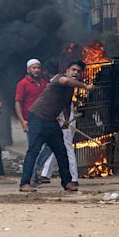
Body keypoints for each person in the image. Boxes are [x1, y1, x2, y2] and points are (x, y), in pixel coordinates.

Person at [19, 60, 94, 192]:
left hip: (51, 121)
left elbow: (66, 105)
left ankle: (67, 182)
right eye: (73, 70)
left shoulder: (71, 89)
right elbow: (66, 81)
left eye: (78, 71)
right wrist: (85, 86)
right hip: (37, 117)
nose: (75, 73)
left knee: (61, 151)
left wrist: (66, 121)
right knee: (33, 151)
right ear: (67, 70)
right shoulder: (60, 78)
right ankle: (24, 183)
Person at [14, 59, 50, 185]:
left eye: (38, 68)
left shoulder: (43, 83)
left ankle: (36, 169)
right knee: (33, 149)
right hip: (31, 121)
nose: (36, 70)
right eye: (34, 68)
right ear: (28, 69)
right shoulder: (22, 84)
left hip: (45, 120)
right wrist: (22, 121)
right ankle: (32, 178)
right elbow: (18, 102)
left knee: (49, 147)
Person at [40, 102, 79, 186]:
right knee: (57, 147)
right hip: (62, 120)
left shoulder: (63, 92)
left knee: (67, 149)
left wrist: (66, 120)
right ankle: (46, 174)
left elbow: (66, 106)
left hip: (66, 122)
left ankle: (73, 177)